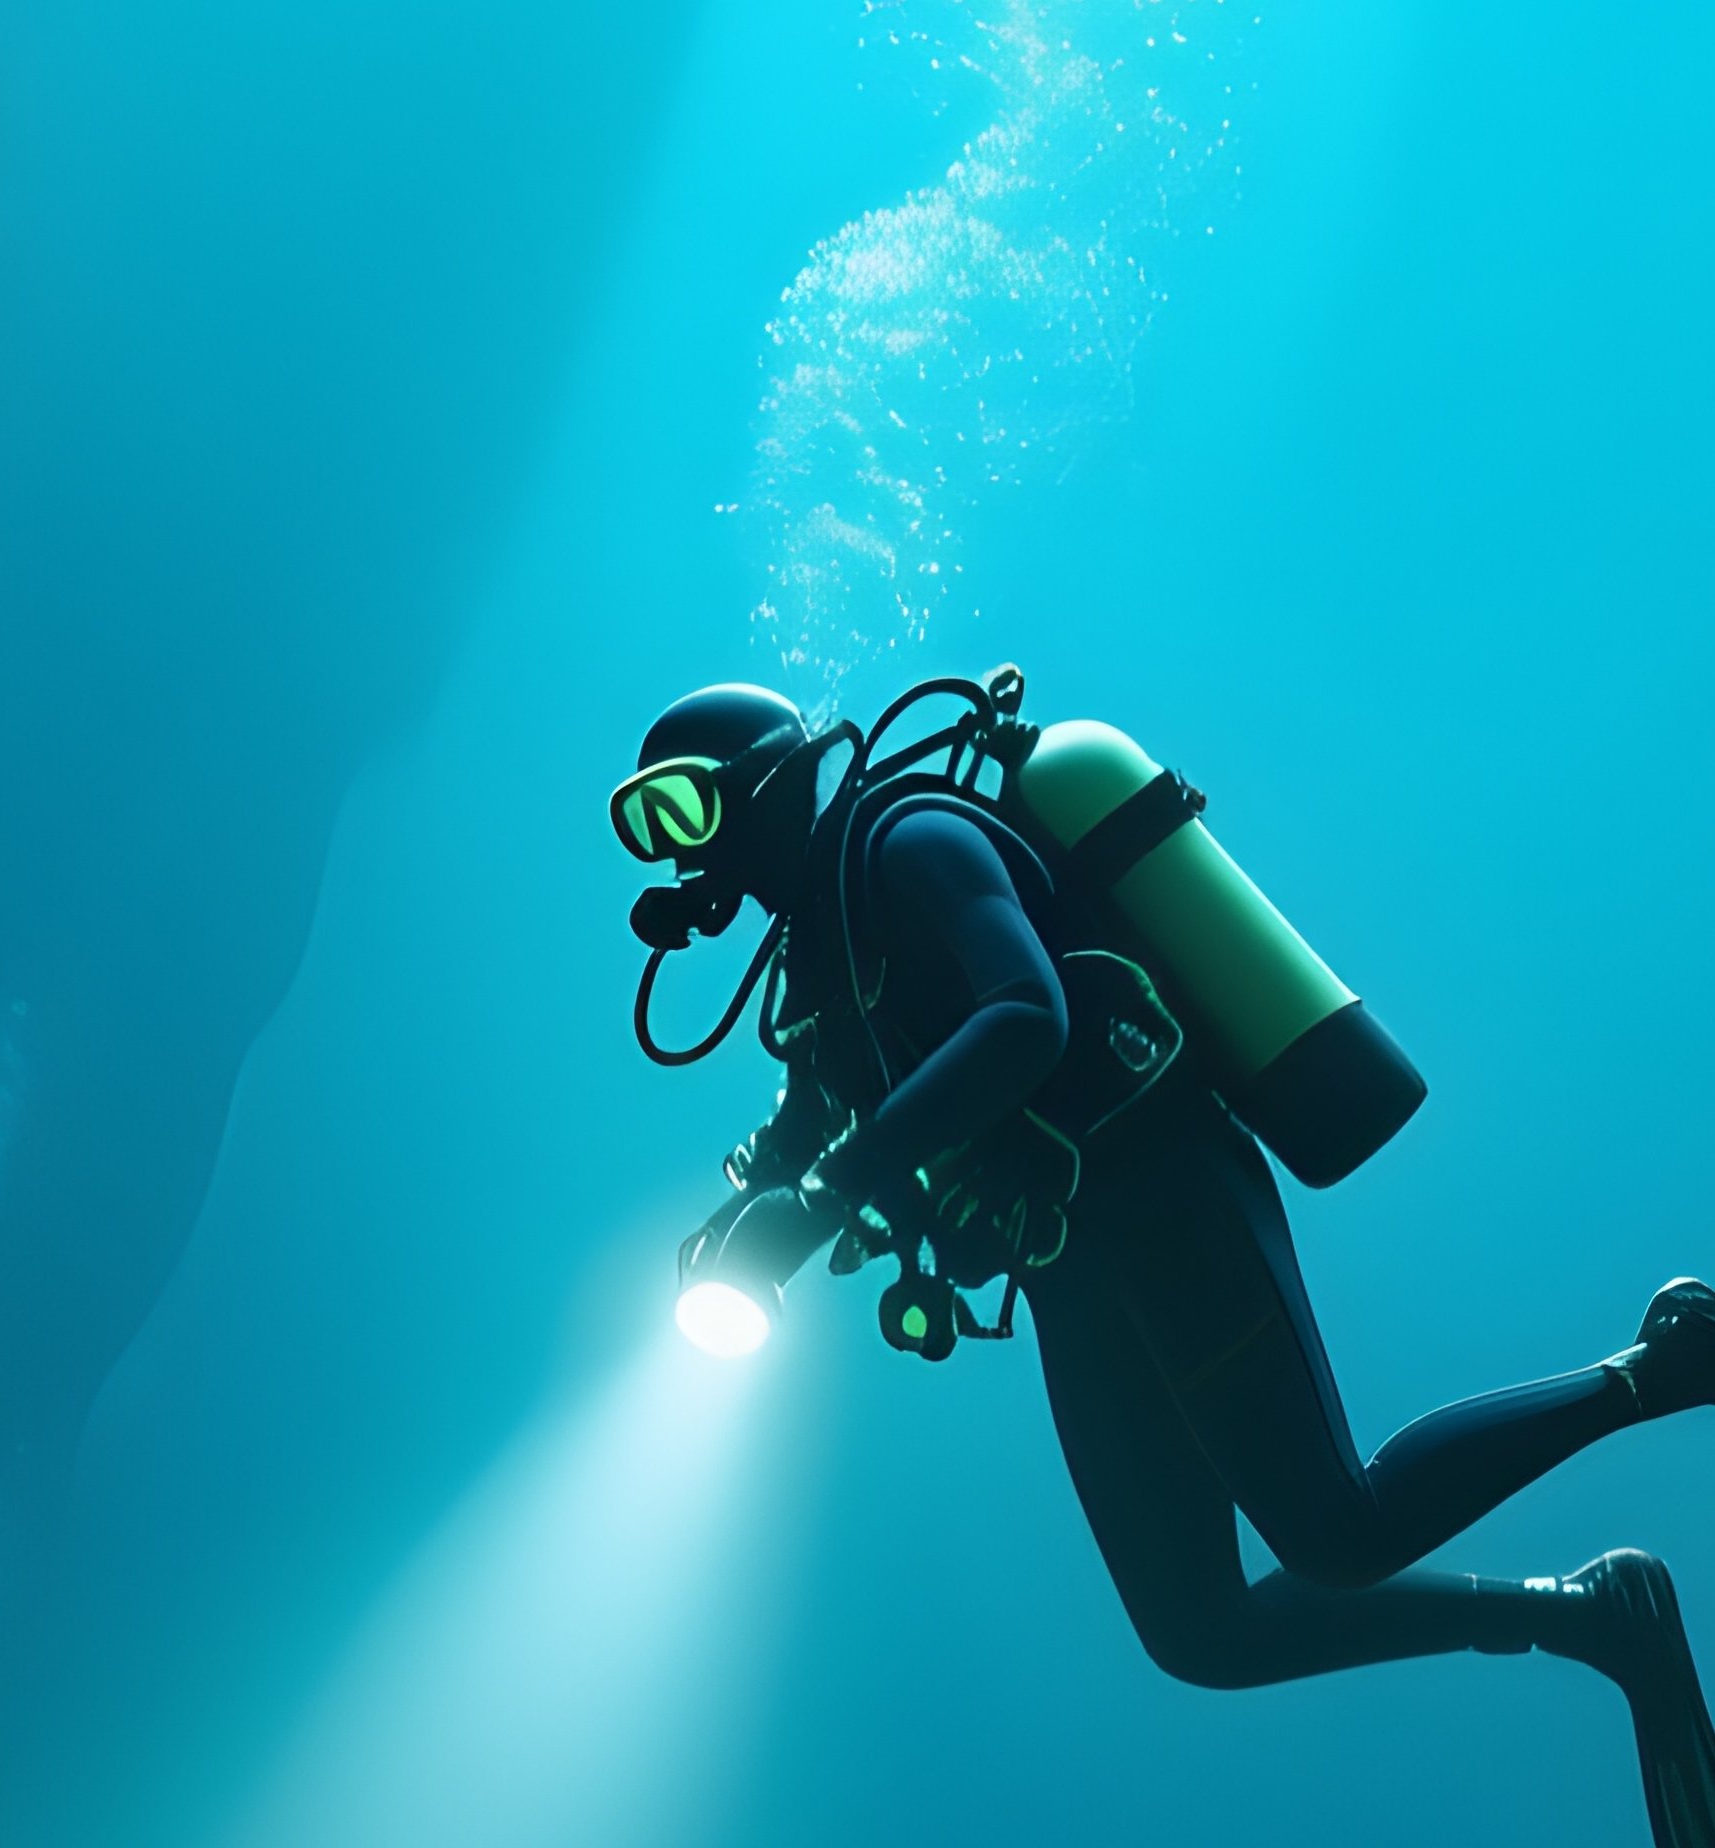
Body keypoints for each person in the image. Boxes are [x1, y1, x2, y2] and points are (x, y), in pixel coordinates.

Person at [610, 672, 1715, 1848]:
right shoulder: (819, 981)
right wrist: (741, 1220)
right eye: (646, 825)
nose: (675, 853)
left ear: (763, 784)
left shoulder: (907, 837)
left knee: (1336, 1532)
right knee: (1199, 1634)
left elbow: (1025, 1015)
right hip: (1069, 1267)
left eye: (684, 810)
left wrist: (827, 1193)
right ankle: (1596, 1614)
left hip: (1160, 1188)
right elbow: (804, 1137)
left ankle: (1660, 1367)